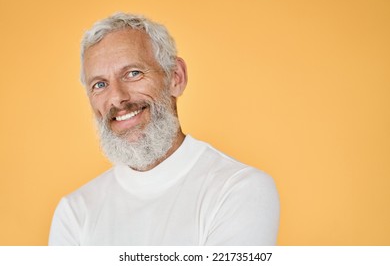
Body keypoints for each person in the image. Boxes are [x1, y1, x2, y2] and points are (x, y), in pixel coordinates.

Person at [49, 12, 280, 245]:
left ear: (175, 77)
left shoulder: (240, 188)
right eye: (100, 85)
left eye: (133, 73)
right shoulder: (75, 212)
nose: (117, 98)